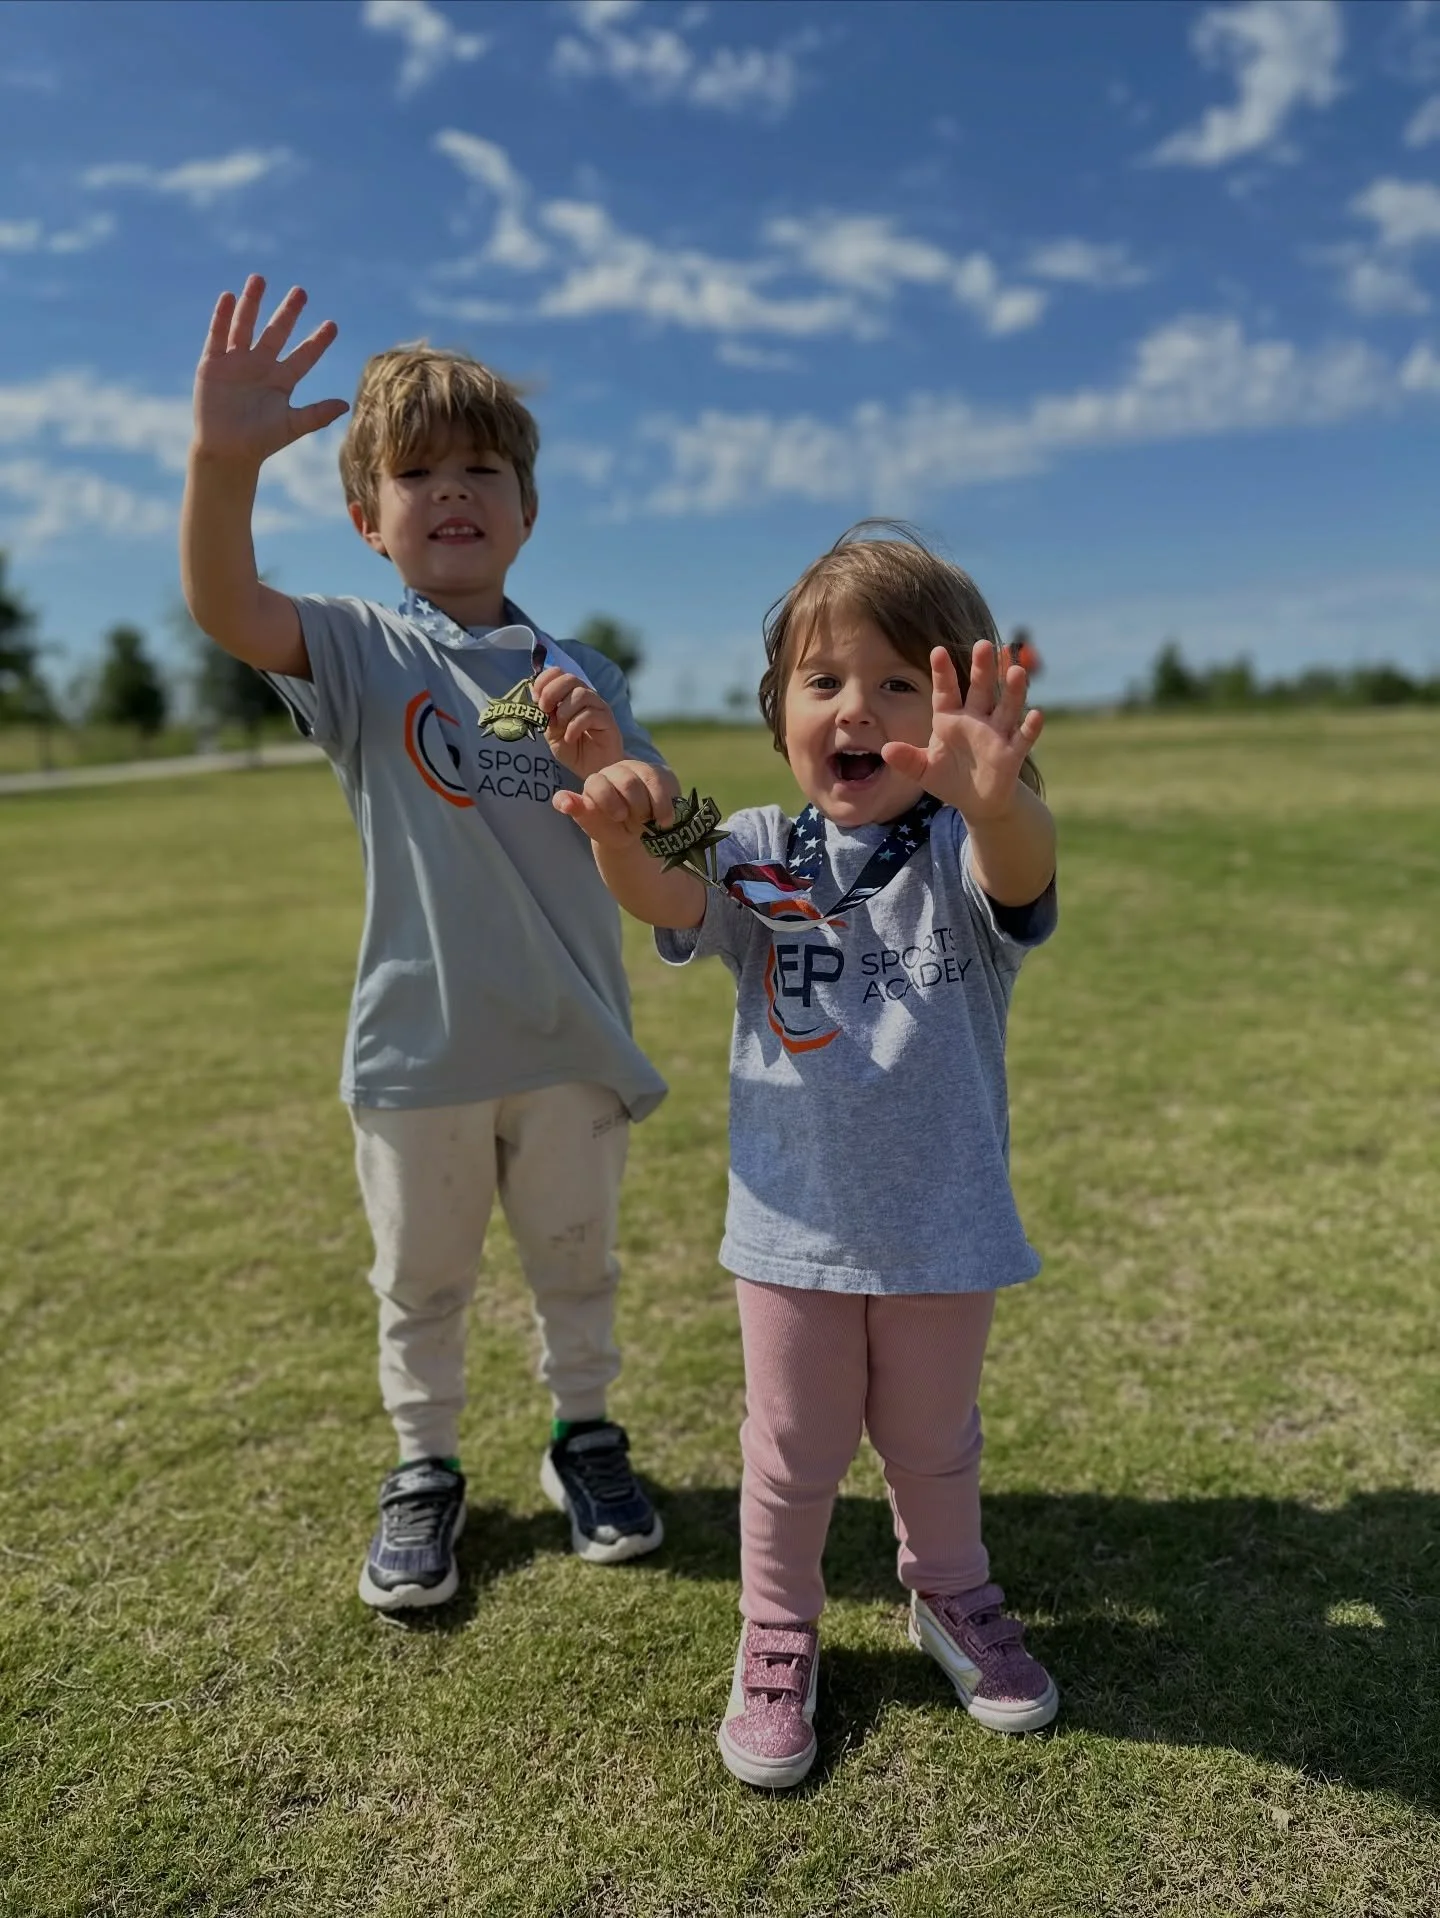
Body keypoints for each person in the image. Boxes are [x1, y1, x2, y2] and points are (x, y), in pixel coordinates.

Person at [180, 275, 671, 1612]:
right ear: (368, 518)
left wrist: (616, 776)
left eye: (482, 466)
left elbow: (654, 824)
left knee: (578, 1259)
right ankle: (424, 1467)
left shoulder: (580, 674)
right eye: (417, 472)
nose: (453, 489)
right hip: (420, 1048)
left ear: (526, 505)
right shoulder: (358, 650)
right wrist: (222, 465)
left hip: (570, 1037)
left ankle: (587, 1434)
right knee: (422, 1279)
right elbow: (230, 605)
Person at [555, 525, 1060, 1786]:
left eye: (900, 682)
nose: (859, 709)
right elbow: (672, 902)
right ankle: (778, 1633)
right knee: (792, 1448)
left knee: (935, 1437)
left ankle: (950, 1591)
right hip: (791, 1228)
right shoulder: (757, 850)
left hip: (946, 1224)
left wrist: (999, 797)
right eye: (824, 679)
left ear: (949, 712)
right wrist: (622, 831)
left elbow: (1023, 873)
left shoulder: (957, 849)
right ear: (777, 707)